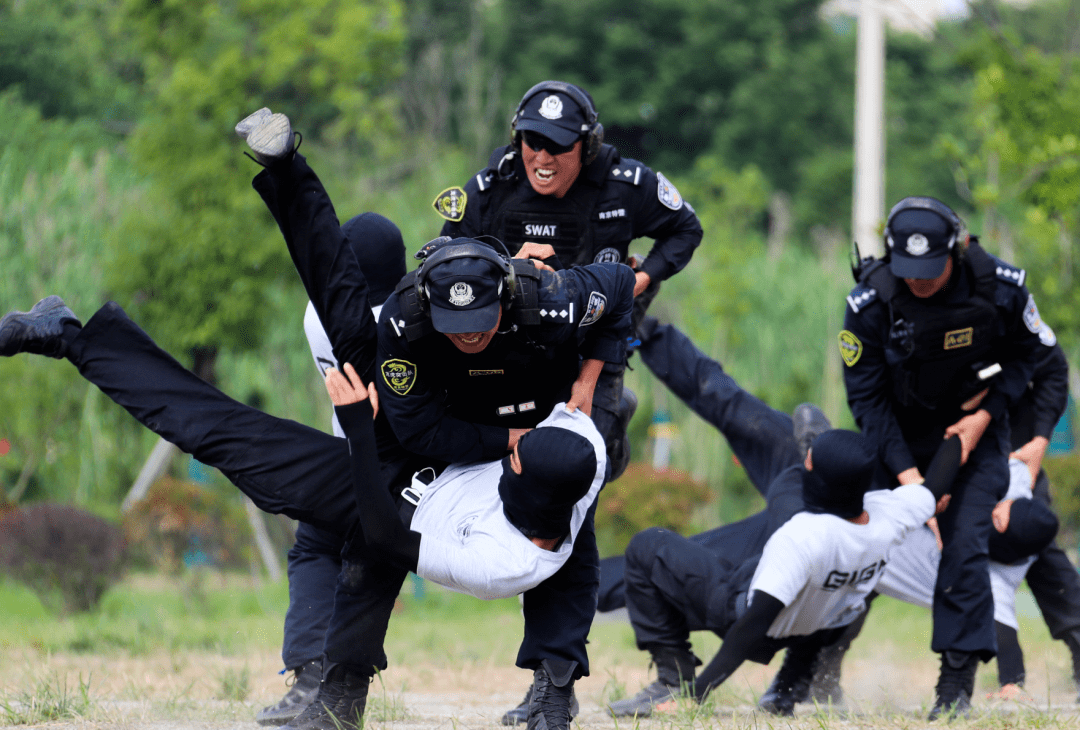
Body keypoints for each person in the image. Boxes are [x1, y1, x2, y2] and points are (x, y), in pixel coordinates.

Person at [241, 109, 636, 730]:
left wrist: (590, 385)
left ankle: (554, 686)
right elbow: (420, 429)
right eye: (455, 329)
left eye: (481, 324)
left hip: (542, 411)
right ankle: (341, 692)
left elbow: (619, 291)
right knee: (375, 540)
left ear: (505, 300)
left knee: (565, 527)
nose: (469, 336)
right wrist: (500, 438)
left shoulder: (551, 299)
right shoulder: (406, 319)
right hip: (457, 423)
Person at [435, 80, 704, 490]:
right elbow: (446, 265)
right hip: (511, 343)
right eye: (532, 141)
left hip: (596, 338)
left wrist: (639, 280)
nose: (542, 157)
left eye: (557, 145)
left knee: (582, 470)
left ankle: (612, 424)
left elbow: (685, 228)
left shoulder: (625, 185)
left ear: (588, 146)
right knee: (510, 466)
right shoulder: (491, 190)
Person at [841, 196, 1048, 719]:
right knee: (853, 542)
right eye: (908, 271)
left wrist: (987, 415)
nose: (920, 281)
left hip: (975, 433)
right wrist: (914, 484)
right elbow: (866, 398)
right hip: (897, 439)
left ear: (956, 250)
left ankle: (953, 687)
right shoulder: (870, 301)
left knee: (963, 548)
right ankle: (802, 674)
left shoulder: (1002, 287)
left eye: (930, 271)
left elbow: (1033, 355)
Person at [256, 212, 406, 726]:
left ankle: (311, 678)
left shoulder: (315, 317)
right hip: (427, 471)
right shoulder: (409, 320)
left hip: (356, 461)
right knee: (339, 550)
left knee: (319, 545)